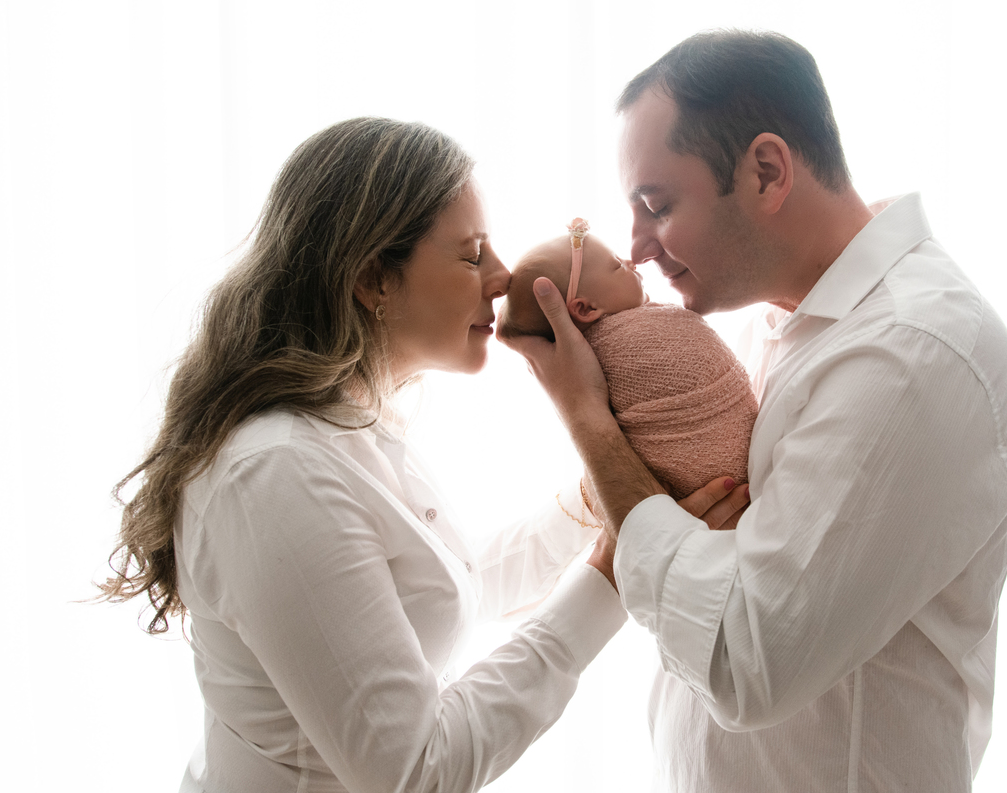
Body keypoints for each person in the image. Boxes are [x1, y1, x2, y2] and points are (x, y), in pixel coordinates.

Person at [501, 30, 1007, 792]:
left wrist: (589, 421)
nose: (638, 248)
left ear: (766, 170)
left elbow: (741, 659)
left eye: (657, 205)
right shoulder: (762, 335)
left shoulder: (912, 355)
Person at [98, 117, 636, 793]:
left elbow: (446, 593)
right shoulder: (277, 471)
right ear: (372, 279)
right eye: (472, 254)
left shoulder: (351, 431)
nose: (503, 278)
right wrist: (613, 577)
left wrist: (594, 504)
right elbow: (414, 772)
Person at [498, 218, 758, 500]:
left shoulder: (644, 328)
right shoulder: (616, 351)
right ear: (585, 308)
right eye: (617, 265)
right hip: (711, 485)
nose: (632, 262)